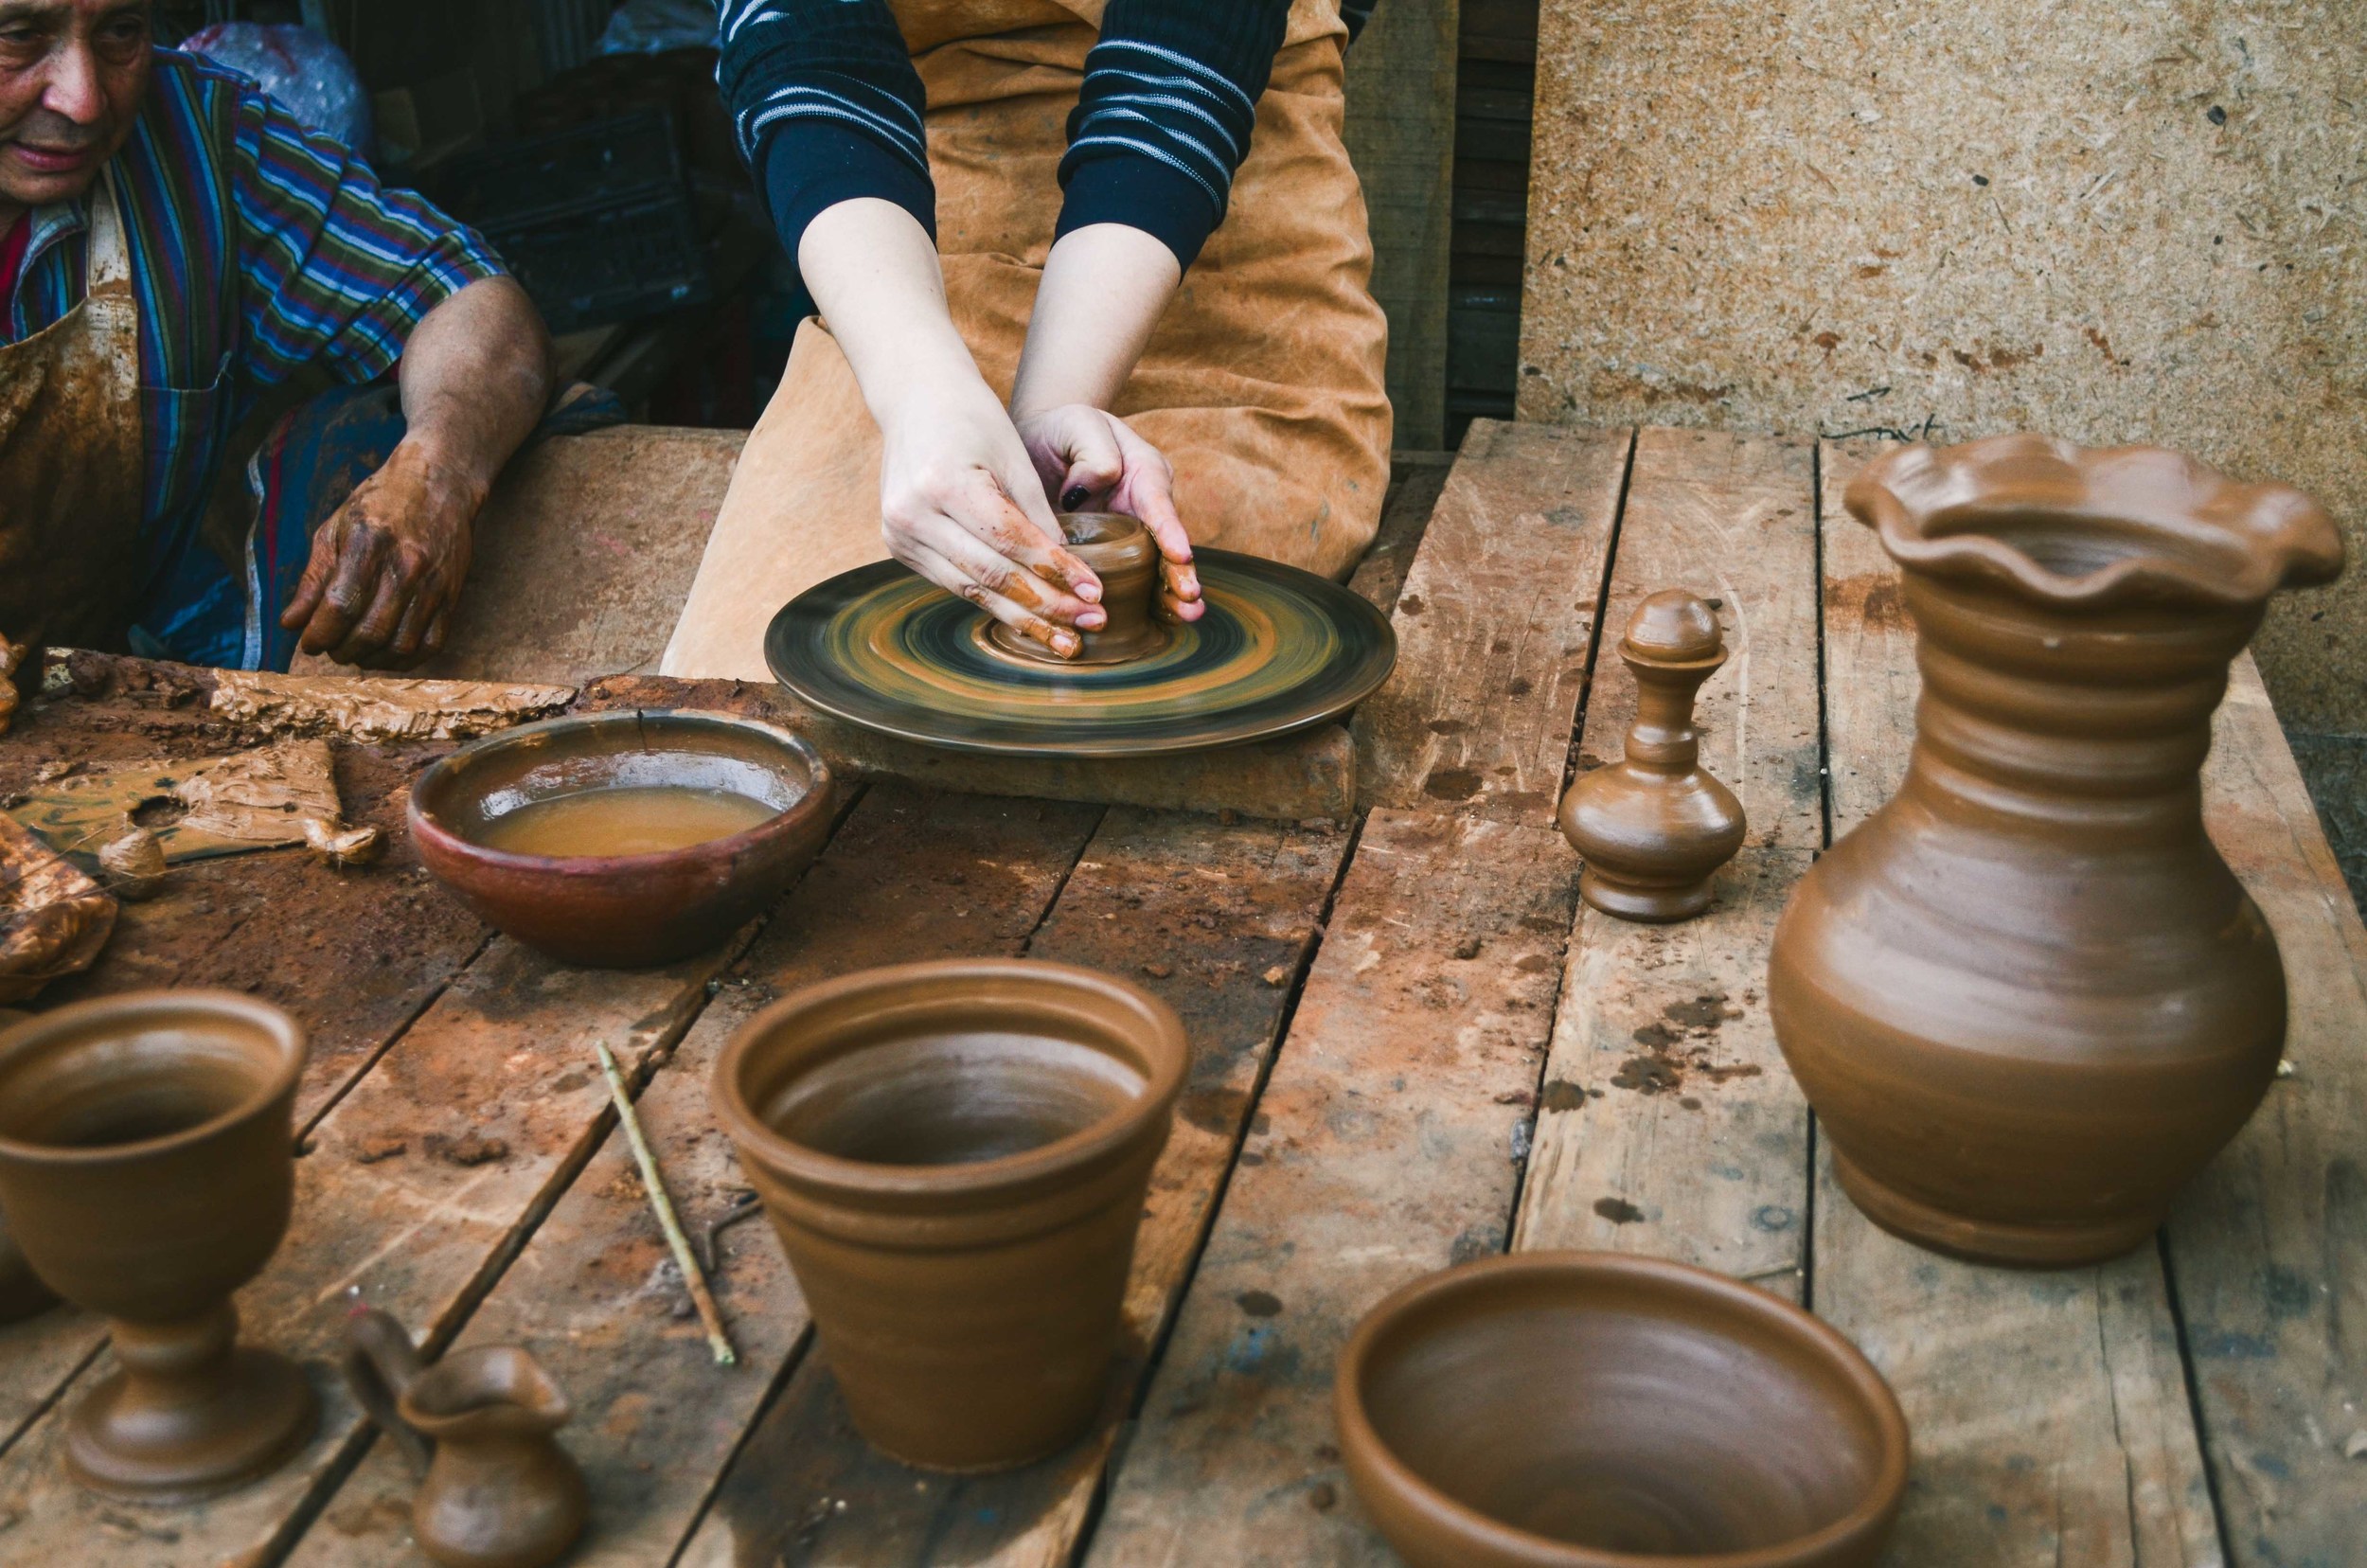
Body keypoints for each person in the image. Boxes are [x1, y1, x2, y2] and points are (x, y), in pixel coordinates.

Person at [662, 0, 1389, 676]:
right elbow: (811, 60)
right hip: (901, 256)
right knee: (747, 683)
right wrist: (920, 391)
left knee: (1194, 645)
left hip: (1207, 219)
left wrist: (1051, 412)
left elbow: (1179, 71)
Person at [0, 0, 553, 677]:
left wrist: (437, 474)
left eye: (120, 33)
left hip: (81, 702)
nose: (83, 101)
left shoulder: (194, 137)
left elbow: (464, 295)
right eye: (19, 36)